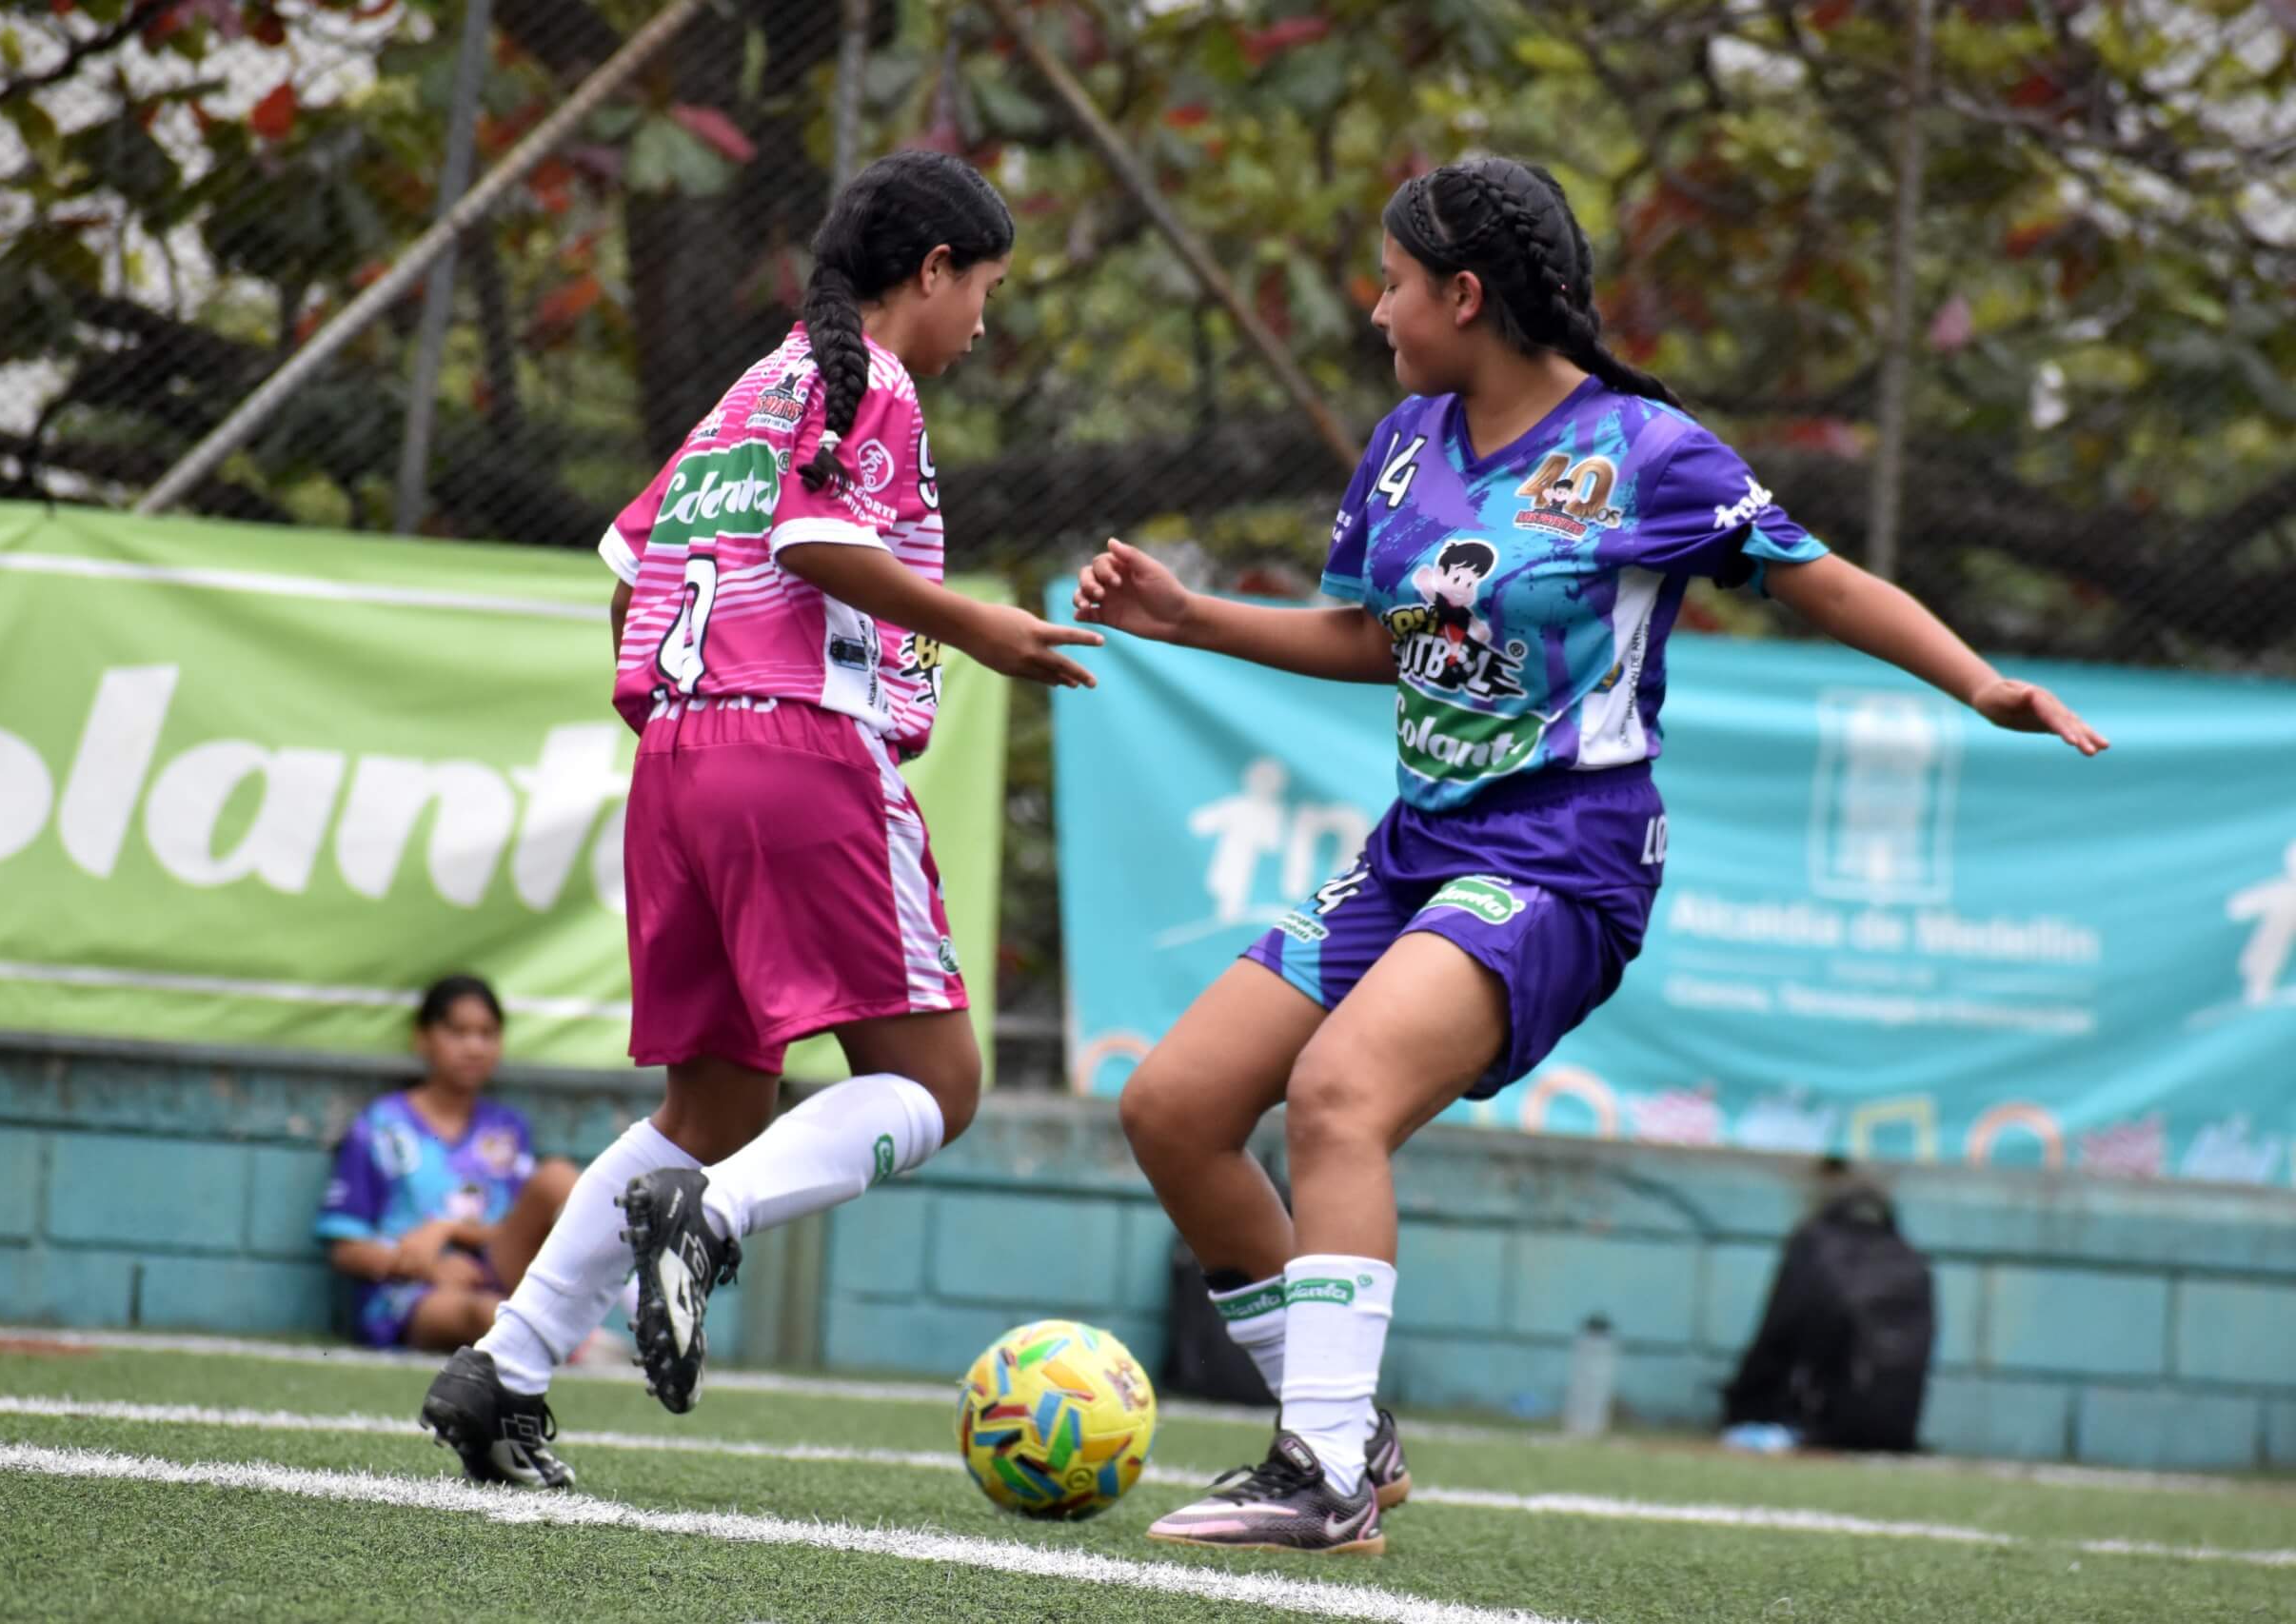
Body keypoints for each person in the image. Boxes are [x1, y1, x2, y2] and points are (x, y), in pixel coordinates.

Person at [1076, 155, 2108, 1555]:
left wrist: (1982, 686)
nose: (1375, 309)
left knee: (1337, 1094)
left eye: (1391, 281)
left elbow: (1829, 580)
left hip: (1564, 861)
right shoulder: (1403, 443)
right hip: (1413, 854)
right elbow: (1379, 640)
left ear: (1464, 292)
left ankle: (1316, 1469)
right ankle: (1346, 1430)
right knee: (1176, 1106)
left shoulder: (1648, 452)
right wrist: (1189, 616)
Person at [416, 150, 1101, 1490]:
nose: (983, 324)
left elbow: (629, 583)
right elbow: (811, 545)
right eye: (988, 293)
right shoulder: (879, 384)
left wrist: (705, 724)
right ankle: (711, 1220)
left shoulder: (744, 394)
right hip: (795, 755)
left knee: (719, 1092)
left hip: (675, 757)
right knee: (940, 1082)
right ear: (934, 271)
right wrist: (985, 630)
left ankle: (505, 1365)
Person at [317, 976, 592, 1355]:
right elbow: (345, 1249)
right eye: (458, 1032)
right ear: (423, 1038)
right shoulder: (381, 1126)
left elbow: (512, 1230)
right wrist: (423, 1266)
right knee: (484, 1318)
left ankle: (641, 1305)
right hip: (414, 1294)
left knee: (558, 1177)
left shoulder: (506, 1129)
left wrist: (448, 1229)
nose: (475, 1046)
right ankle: (575, 1343)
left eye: (487, 1033)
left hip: (496, 1275)